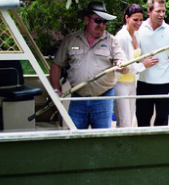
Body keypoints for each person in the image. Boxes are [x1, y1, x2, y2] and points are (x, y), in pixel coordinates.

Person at [50, 1, 129, 129]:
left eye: (105, 22)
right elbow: (56, 65)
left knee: (101, 140)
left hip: (103, 99)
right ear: (87, 19)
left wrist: (122, 65)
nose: (101, 25)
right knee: (75, 138)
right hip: (77, 99)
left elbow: (125, 65)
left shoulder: (112, 41)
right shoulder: (71, 40)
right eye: (98, 20)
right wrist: (55, 89)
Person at [136, 0, 169, 126]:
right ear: (149, 11)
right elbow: (132, 55)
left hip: (164, 83)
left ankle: (159, 145)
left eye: (163, 11)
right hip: (143, 82)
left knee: (162, 119)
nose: (161, 14)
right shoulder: (139, 29)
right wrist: (142, 62)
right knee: (143, 119)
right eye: (158, 11)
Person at [114, 4, 158, 127]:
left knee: (129, 120)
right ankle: (121, 145)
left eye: (140, 20)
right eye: (135, 20)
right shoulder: (122, 37)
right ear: (127, 18)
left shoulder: (136, 35)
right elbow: (126, 67)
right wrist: (143, 65)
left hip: (132, 83)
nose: (139, 23)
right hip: (120, 84)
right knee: (124, 123)